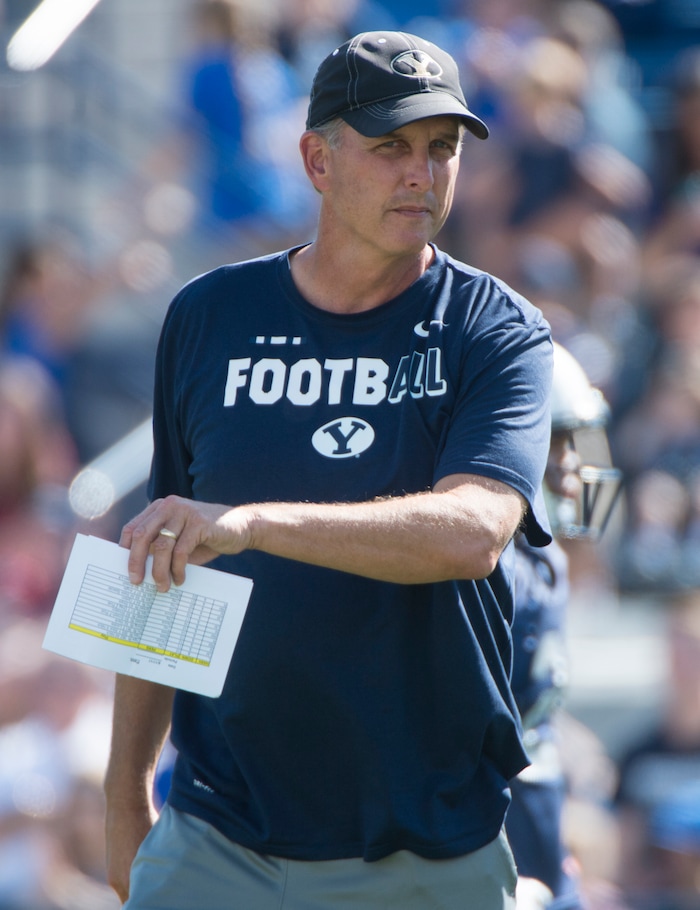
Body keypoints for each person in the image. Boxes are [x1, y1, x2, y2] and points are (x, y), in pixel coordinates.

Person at [104, 31, 553, 910]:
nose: (422, 173)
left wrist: (253, 524)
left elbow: (473, 533)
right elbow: (165, 560)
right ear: (316, 159)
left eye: (442, 149)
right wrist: (125, 794)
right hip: (215, 833)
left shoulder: (496, 330)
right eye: (391, 147)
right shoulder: (208, 315)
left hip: (425, 846)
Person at [507, 342, 621, 910]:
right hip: (486, 834)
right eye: (558, 443)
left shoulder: (543, 557)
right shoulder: (492, 566)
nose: (574, 467)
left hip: (536, 821)